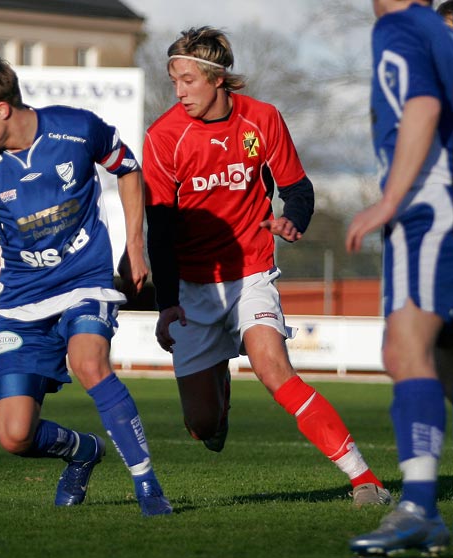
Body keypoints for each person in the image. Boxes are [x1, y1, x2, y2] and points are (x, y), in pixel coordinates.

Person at [142, 26, 390, 508]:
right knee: (203, 426)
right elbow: (162, 231)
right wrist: (167, 304)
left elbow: (297, 188)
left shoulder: (262, 119)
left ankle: (365, 480)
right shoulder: (164, 138)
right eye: (174, 80)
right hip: (194, 289)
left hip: (251, 273)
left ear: (217, 78)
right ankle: (218, 392)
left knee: (275, 370)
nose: (179, 91)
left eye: (188, 80)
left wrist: (293, 220)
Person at [0, 57, 172, 516]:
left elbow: (128, 168)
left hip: (84, 280)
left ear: (2, 108)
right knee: (14, 435)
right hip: (23, 300)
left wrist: (134, 244)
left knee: (88, 361)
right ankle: (83, 451)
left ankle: (147, 484)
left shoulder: (76, 129)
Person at [346, 0, 453, 554]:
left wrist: (389, 200)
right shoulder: (437, 28)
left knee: (405, 347)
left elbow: (423, 105)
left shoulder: (401, 25)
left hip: (429, 210)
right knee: (435, 360)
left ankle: (419, 508)